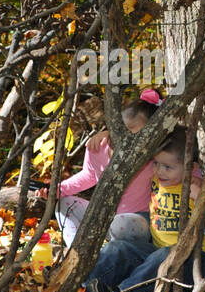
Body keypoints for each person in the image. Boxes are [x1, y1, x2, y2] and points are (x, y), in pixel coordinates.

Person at [83, 127, 205, 292]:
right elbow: (137, 135)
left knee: (166, 256)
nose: (159, 171)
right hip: (155, 252)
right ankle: (84, 287)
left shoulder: (197, 188)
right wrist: (108, 134)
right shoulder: (155, 179)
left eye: (167, 167)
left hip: (191, 260)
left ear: (191, 167)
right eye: (156, 163)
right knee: (119, 248)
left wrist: (202, 196)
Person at [42, 87, 159, 248]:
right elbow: (89, 175)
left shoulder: (153, 155)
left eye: (133, 134)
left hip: (136, 222)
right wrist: (58, 189)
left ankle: (112, 253)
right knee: (65, 205)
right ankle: (76, 252)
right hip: (103, 217)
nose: (124, 138)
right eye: (121, 130)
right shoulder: (99, 147)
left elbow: (175, 156)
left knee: (121, 223)